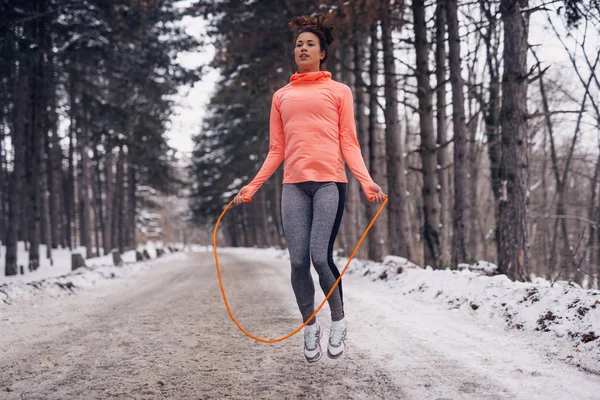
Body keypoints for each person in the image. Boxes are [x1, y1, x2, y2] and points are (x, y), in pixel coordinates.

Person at [234, 14, 386, 363]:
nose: (302, 48)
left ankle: (339, 321)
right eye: (298, 44)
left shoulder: (339, 92)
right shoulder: (281, 96)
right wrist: (252, 187)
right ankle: (309, 327)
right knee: (298, 262)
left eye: (309, 44)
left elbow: (349, 141)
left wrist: (366, 182)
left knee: (321, 257)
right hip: (294, 187)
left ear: (322, 53)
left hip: (329, 184)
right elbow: (276, 149)